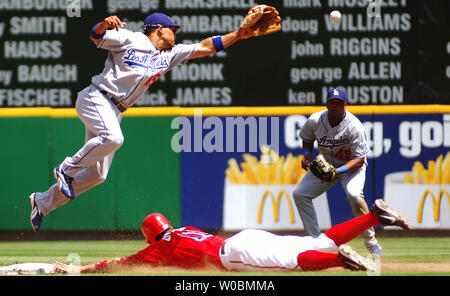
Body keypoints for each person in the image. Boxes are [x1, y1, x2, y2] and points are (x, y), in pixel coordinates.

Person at [29, 13, 255, 232]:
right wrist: (103, 24)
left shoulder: (170, 55)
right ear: (160, 29)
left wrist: (238, 34)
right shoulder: (131, 38)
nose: (175, 34)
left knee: (98, 175)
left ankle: (42, 202)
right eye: (172, 30)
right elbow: (95, 36)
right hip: (96, 96)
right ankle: (66, 169)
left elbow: (207, 46)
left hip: (115, 110)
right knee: (114, 138)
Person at [55, 199, 410, 274]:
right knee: (311, 243)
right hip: (241, 238)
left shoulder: (157, 251)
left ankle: (341, 260)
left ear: (150, 237)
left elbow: (118, 264)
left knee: (291, 263)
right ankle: (373, 217)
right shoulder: (181, 230)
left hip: (233, 255)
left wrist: (78, 271)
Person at [292, 88, 383, 257]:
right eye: (332, 103)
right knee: (300, 194)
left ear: (345, 105)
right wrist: (306, 156)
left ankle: (371, 242)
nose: (335, 107)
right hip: (326, 165)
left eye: (339, 103)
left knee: (354, 194)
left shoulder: (354, 126)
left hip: (351, 168)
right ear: (326, 104)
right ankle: (315, 241)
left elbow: (360, 159)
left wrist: (338, 171)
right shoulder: (316, 119)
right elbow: (307, 137)